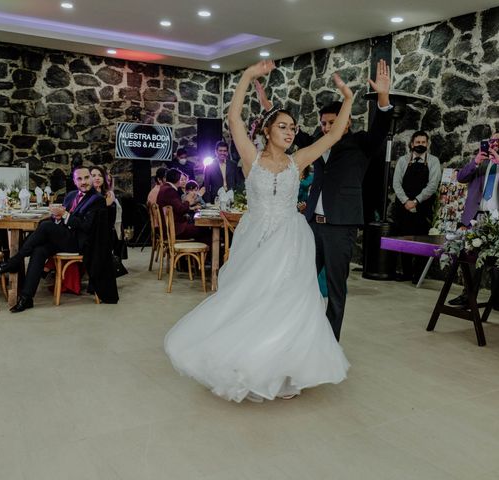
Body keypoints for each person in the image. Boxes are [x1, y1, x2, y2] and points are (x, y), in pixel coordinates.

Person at [165, 60, 353, 402]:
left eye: (293, 128)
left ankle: (282, 369)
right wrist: (248, 75)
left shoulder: (299, 161)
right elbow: (234, 118)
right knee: (252, 300)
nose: (290, 132)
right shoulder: (251, 157)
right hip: (258, 238)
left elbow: (336, 134)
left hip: (293, 240)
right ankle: (247, 362)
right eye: (283, 126)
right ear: (268, 130)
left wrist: (349, 98)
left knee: (290, 303)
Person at [290, 60, 392, 341]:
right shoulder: (316, 142)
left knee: (336, 288)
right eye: (323, 123)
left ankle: (329, 341)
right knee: (303, 282)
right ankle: (302, 335)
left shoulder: (361, 143)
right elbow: (295, 135)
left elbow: (382, 126)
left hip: (340, 226)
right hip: (312, 224)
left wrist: (383, 96)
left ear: (346, 121)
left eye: (332, 123)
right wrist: (269, 108)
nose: (326, 128)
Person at [0, 165, 104, 312]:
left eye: (86, 178)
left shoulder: (97, 199)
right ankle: (26, 298)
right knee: (39, 250)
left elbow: (86, 226)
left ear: (90, 178)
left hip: (79, 243)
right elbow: (60, 220)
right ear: (75, 181)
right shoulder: (71, 195)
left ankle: (15, 260)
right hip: (64, 238)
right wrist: (57, 217)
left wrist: (64, 215)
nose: (83, 181)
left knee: (45, 226)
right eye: (79, 179)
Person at [448, 129, 499, 308]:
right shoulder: (482, 161)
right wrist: (476, 161)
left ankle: (498, 299)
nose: (496, 143)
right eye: (493, 140)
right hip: (478, 216)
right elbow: (461, 177)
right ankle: (468, 295)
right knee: (470, 258)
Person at [392, 130, 441, 283]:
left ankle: (418, 275)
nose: (420, 145)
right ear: (412, 144)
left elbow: (433, 185)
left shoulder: (433, 161)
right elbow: (396, 183)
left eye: (423, 142)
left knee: (422, 240)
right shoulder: (403, 160)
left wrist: (417, 201)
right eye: (417, 142)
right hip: (403, 207)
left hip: (423, 207)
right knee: (404, 239)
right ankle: (406, 273)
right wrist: (406, 201)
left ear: (427, 144)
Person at [156, 168, 208, 243]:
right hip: (174, 229)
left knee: (199, 227)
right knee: (205, 229)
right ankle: (205, 253)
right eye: (181, 179)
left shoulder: (164, 188)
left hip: (170, 226)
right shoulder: (169, 190)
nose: (183, 182)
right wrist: (188, 201)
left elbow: (177, 208)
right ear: (177, 179)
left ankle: (193, 253)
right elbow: (181, 209)